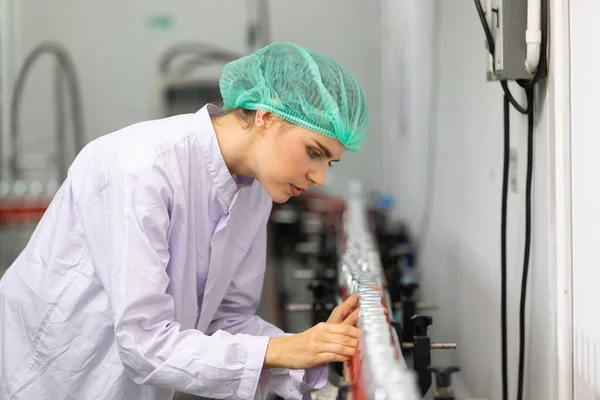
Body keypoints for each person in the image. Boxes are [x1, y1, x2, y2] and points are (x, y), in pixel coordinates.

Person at [0, 42, 370, 400]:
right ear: (266, 116)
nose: (319, 178)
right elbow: (145, 344)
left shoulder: (254, 194)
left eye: (329, 163)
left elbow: (227, 322)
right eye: (313, 152)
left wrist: (315, 349)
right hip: (45, 380)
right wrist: (281, 350)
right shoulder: (143, 168)